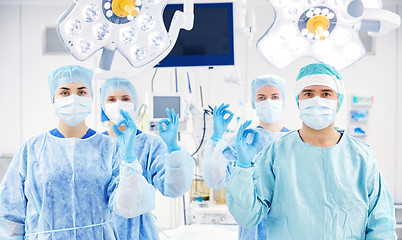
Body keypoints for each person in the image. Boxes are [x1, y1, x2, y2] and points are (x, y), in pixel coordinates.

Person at [226, 63, 396, 239]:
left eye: (326, 93)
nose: (317, 100)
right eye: (308, 93)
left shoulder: (361, 157)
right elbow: (247, 217)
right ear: (298, 101)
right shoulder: (276, 153)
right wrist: (243, 167)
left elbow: (381, 225)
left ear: (338, 101)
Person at [0, 65, 157, 239]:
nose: (73, 98)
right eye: (65, 93)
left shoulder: (110, 148)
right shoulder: (32, 149)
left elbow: (129, 207)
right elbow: (10, 217)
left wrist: (129, 160)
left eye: (82, 92)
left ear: (90, 99)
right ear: (54, 101)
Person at [100, 78, 195, 240]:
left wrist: (173, 148)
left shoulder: (150, 145)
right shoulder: (95, 145)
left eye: (125, 99)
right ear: (103, 106)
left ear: (135, 104)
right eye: (111, 99)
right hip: (101, 231)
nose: (118, 104)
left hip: (141, 232)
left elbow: (174, 189)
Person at [203, 75, 290, 240]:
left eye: (275, 97)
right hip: (253, 230)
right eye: (261, 97)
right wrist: (217, 137)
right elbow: (215, 180)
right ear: (253, 103)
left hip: (289, 228)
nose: (268, 102)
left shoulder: (295, 141)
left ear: (283, 101)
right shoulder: (243, 140)